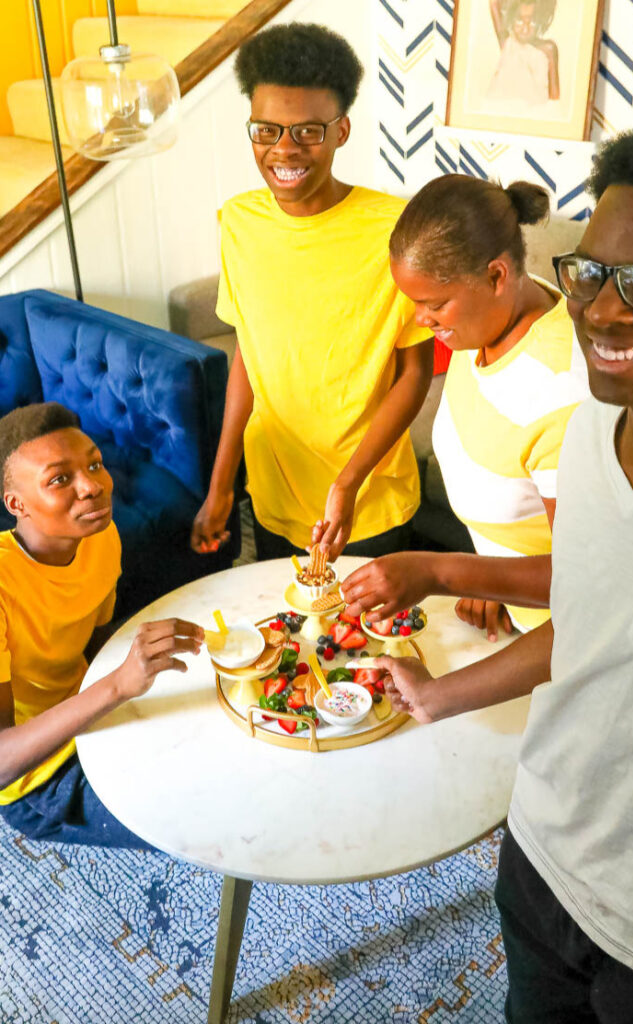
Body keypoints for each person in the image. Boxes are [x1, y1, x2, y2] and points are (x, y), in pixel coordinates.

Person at [369, 115, 633, 1020]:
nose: (601, 307)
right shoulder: (594, 425)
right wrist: (443, 695)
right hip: (542, 860)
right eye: (591, 271)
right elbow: (588, 626)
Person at [190, 23, 433, 564]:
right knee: (286, 641)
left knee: (367, 646)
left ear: (342, 131)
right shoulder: (238, 222)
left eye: (308, 132)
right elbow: (249, 359)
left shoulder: (396, 229)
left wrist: (346, 485)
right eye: (266, 130)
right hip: (275, 496)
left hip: (369, 500)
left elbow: (416, 373)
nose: (284, 150)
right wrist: (221, 486)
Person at [343, 173, 588, 640]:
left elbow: (585, 578)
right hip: (512, 614)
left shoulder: (562, 396)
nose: (420, 318)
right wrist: (495, 579)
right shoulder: (498, 313)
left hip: (559, 643)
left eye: (433, 303)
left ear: (496, 276)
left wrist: (444, 573)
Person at [0, 403, 203, 847]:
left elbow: (95, 641)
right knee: (200, 817)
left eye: (94, 464)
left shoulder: (99, 537)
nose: (93, 486)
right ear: (17, 504)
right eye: (59, 479)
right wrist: (119, 685)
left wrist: (135, 674)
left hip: (93, 704)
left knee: (218, 731)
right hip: (41, 776)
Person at [488, 0, 560, 107]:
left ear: (540, 21)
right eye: (519, 21)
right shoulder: (508, 43)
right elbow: (494, 2)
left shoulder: (548, 50)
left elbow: (554, 100)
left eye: (532, 22)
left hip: (536, 114)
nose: (525, 29)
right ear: (511, 20)